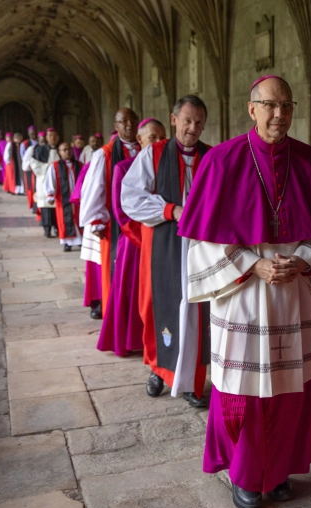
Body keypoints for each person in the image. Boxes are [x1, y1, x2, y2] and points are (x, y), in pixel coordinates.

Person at [177, 76, 311, 508]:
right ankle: (247, 473)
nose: (279, 115)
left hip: (291, 295)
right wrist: (254, 263)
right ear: (252, 109)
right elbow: (202, 245)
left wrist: (304, 260)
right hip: (243, 296)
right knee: (245, 390)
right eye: (270, 105)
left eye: (286, 106)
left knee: (289, 387)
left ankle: (281, 469)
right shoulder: (222, 161)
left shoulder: (309, 161)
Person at [121, 97, 210, 408]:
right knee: (157, 308)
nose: (192, 128)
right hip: (164, 244)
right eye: (187, 120)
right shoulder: (154, 154)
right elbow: (130, 197)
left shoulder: (212, 158)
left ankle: (192, 382)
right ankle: (157, 369)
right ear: (174, 120)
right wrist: (171, 210)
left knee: (197, 313)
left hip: (201, 248)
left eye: (199, 122)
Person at [97, 118, 166, 356]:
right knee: (133, 293)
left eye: (162, 138)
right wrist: (145, 240)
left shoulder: (168, 166)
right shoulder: (124, 167)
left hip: (164, 242)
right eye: (153, 138)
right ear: (140, 140)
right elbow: (121, 211)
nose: (159, 143)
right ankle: (132, 340)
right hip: (136, 242)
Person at [80, 108, 140, 319]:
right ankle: (115, 315)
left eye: (133, 120)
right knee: (113, 270)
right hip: (113, 222)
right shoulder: (103, 154)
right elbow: (95, 189)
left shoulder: (147, 149)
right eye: (123, 121)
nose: (129, 125)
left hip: (142, 222)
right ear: (116, 126)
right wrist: (96, 219)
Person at [71, 161, 103, 320]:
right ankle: (98, 301)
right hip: (101, 218)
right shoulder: (99, 160)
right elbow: (83, 193)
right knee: (98, 263)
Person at [44, 142, 83, 252]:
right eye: (64, 150)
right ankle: (67, 243)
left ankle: (80, 241)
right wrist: (50, 195)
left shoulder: (79, 165)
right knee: (65, 221)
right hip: (63, 199)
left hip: (78, 199)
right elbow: (50, 181)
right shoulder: (55, 166)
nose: (67, 152)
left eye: (69, 149)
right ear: (59, 153)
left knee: (79, 219)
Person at [30, 128, 61, 237]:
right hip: (44, 180)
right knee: (46, 206)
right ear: (46, 138)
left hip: (59, 182)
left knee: (58, 206)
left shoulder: (62, 149)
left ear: (58, 137)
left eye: (54, 135)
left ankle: (58, 228)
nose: (52, 138)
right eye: (50, 136)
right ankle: (47, 228)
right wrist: (50, 168)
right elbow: (34, 164)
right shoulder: (39, 150)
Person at [20, 127, 39, 209]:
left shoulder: (40, 142)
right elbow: (23, 156)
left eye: (34, 133)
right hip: (29, 170)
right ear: (28, 134)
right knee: (30, 187)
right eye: (31, 133)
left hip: (38, 169)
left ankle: (37, 205)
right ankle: (31, 204)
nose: (33, 135)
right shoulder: (24, 144)